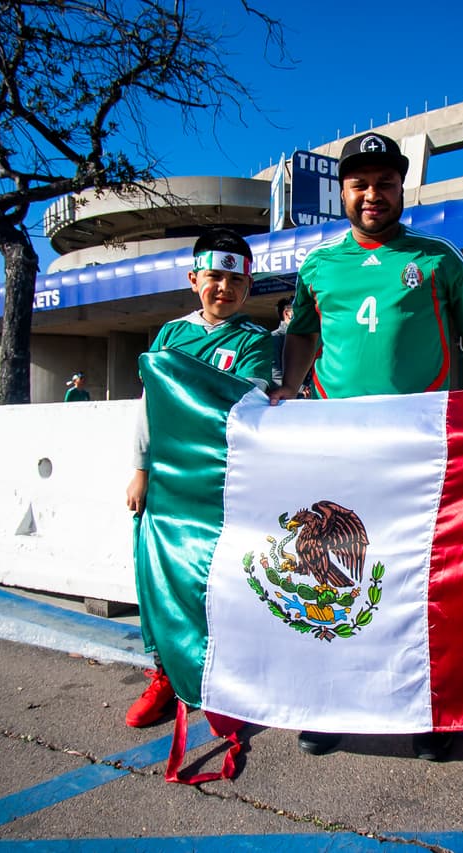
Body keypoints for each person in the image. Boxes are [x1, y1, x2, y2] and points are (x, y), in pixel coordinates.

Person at [269, 131, 463, 761]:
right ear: (343, 192)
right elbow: (301, 336)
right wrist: (288, 387)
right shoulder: (318, 267)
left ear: (402, 188)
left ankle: (422, 708)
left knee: (417, 578)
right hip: (338, 443)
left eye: (385, 183)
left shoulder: (437, 257)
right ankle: (330, 702)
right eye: (360, 184)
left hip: (420, 444)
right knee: (336, 572)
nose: (373, 194)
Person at [123, 226, 275, 728]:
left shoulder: (256, 342)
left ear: (248, 287)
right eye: (214, 277)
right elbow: (151, 407)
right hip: (167, 483)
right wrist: (141, 469)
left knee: (219, 582)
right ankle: (165, 675)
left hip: (219, 485)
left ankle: (219, 681)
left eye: (235, 281)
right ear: (194, 279)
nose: (223, 290)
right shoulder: (170, 336)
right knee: (159, 579)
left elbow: (242, 407)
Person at [270, 297, 293, 388]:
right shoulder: (274, 337)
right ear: (287, 314)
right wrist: (301, 388)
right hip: (286, 399)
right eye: (299, 310)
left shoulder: (304, 338)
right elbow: (274, 374)